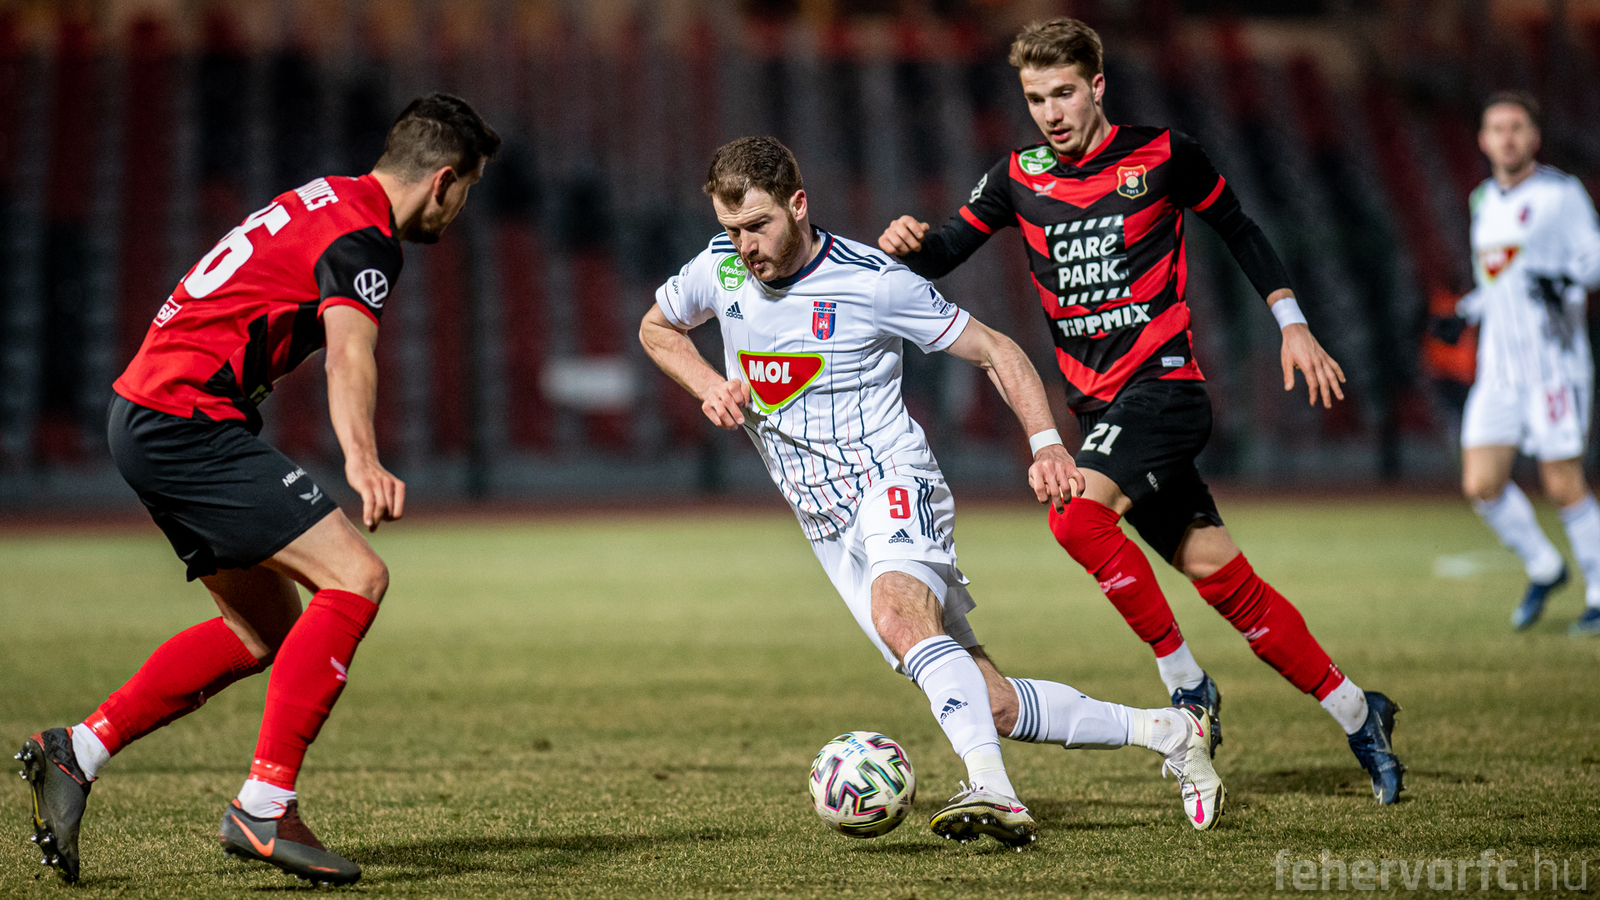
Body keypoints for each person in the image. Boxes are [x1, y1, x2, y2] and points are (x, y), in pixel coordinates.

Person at [641, 136, 1227, 848]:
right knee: (992, 702)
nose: (745, 246)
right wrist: (709, 385)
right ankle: (1171, 732)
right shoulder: (721, 267)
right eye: (731, 229)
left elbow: (997, 350)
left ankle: (994, 791)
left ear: (798, 204)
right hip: (825, 524)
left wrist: (1047, 443)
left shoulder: (873, 281)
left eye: (757, 225)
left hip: (892, 479)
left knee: (897, 612)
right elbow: (657, 327)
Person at [877, 18, 1405, 804]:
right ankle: (1360, 711)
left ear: (1097, 87)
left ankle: (1186, 687)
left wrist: (1292, 323)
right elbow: (946, 249)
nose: (1050, 113)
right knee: (1221, 576)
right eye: (1035, 99)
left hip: (1166, 391)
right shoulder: (1017, 175)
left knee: (1074, 518)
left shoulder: (1162, 154)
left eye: (1063, 93)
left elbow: (1239, 227)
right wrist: (909, 243)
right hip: (1103, 414)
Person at [15, 94, 498, 885]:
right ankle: (264, 806)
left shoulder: (325, 195)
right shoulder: (365, 236)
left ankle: (78, 750)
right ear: (444, 180)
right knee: (357, 576)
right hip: (184, 419)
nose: (462, 208)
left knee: (260, 631)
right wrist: (363, 458)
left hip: (149, 413)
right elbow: (350, 352)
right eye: (468, 190)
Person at [1430, 92, 1600, 637]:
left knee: (1563, 483)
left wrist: (1568, 279)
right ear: (1483, 140)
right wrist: (1466, 311)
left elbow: (1594, 258)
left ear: (1534, 137)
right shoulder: (1483, 199)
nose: (1507, 137)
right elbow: (1497, 280)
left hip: (1553, 364)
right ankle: (1545, 567)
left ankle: (1599, 593)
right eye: (1498, 128)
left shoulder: (1561, 194)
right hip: (1498, 369)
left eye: (1517, 127)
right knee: (1481, 482)